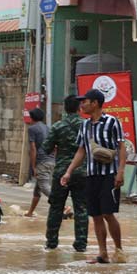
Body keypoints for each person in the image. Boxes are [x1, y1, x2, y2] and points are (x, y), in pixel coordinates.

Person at [61, 88, 128, 264]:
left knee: (108, 213)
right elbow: (81, 150)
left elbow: (122, 147)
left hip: (110, 175)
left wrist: (120, 172)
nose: (81, 104)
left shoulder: (112, 122)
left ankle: (119, 251)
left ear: (95, 103)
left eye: (85, 101)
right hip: (91, 175)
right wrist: (68, 172)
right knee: (96, 215)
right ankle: (103, 253)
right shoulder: (84, 125)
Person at [43, 95, 88, 252]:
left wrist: (58, 148)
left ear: (65, 108)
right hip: (82, 172)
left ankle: (51, 242)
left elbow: (46, 148)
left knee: (56, 207)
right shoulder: (86, 126)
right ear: (79, 108)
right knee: (81, 207)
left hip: (61, 172)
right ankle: (81, 244)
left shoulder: (58, 126)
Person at [23, 108, 55, 218]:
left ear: (32, 118)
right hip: (51, 160)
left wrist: (33, 166)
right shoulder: (48, 128)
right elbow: (54, 146)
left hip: (42, 161)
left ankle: (63, 207)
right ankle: (30, 212)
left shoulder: (32, 129)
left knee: (44, 186)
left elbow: (33, 148)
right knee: (38, 189)